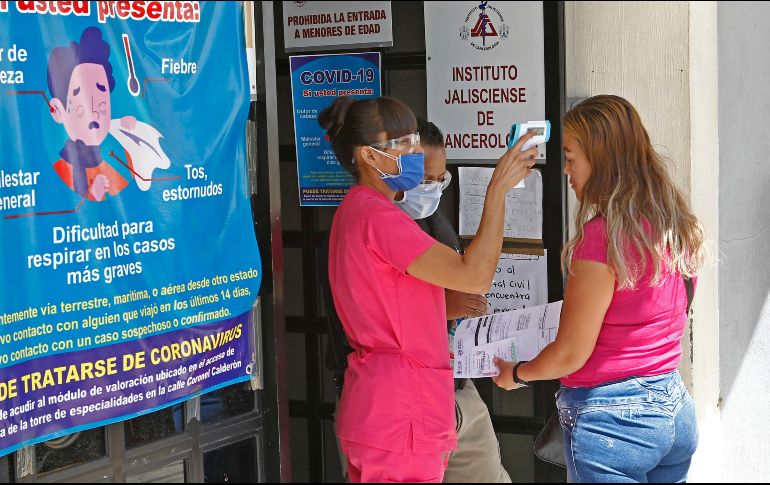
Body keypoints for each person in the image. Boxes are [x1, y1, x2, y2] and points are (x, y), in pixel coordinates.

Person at [321, 96, 537, 483]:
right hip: (400, 408)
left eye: (414, 139)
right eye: (401, 143)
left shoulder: (358, 210)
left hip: (387, 403)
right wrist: (497, 191)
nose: (415, 151)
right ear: (368, 157)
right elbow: (474, 276)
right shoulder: (377, 216)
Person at [492, 95, 705, 483]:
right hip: (672, 407)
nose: (565, 169)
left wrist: (518, 374)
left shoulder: (601, 238)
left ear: (603, 160)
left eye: (572, 157)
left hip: (614, 423)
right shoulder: (675, 224)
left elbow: (570, 354)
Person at [394, 119, 511, 483]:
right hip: (406, 396)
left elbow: (472, 280)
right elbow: (375, 318)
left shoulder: (433, 220)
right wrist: (447, 307)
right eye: (423, 180)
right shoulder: (377, 226)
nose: (431, 190)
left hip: (457, 386)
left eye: (439, 180)